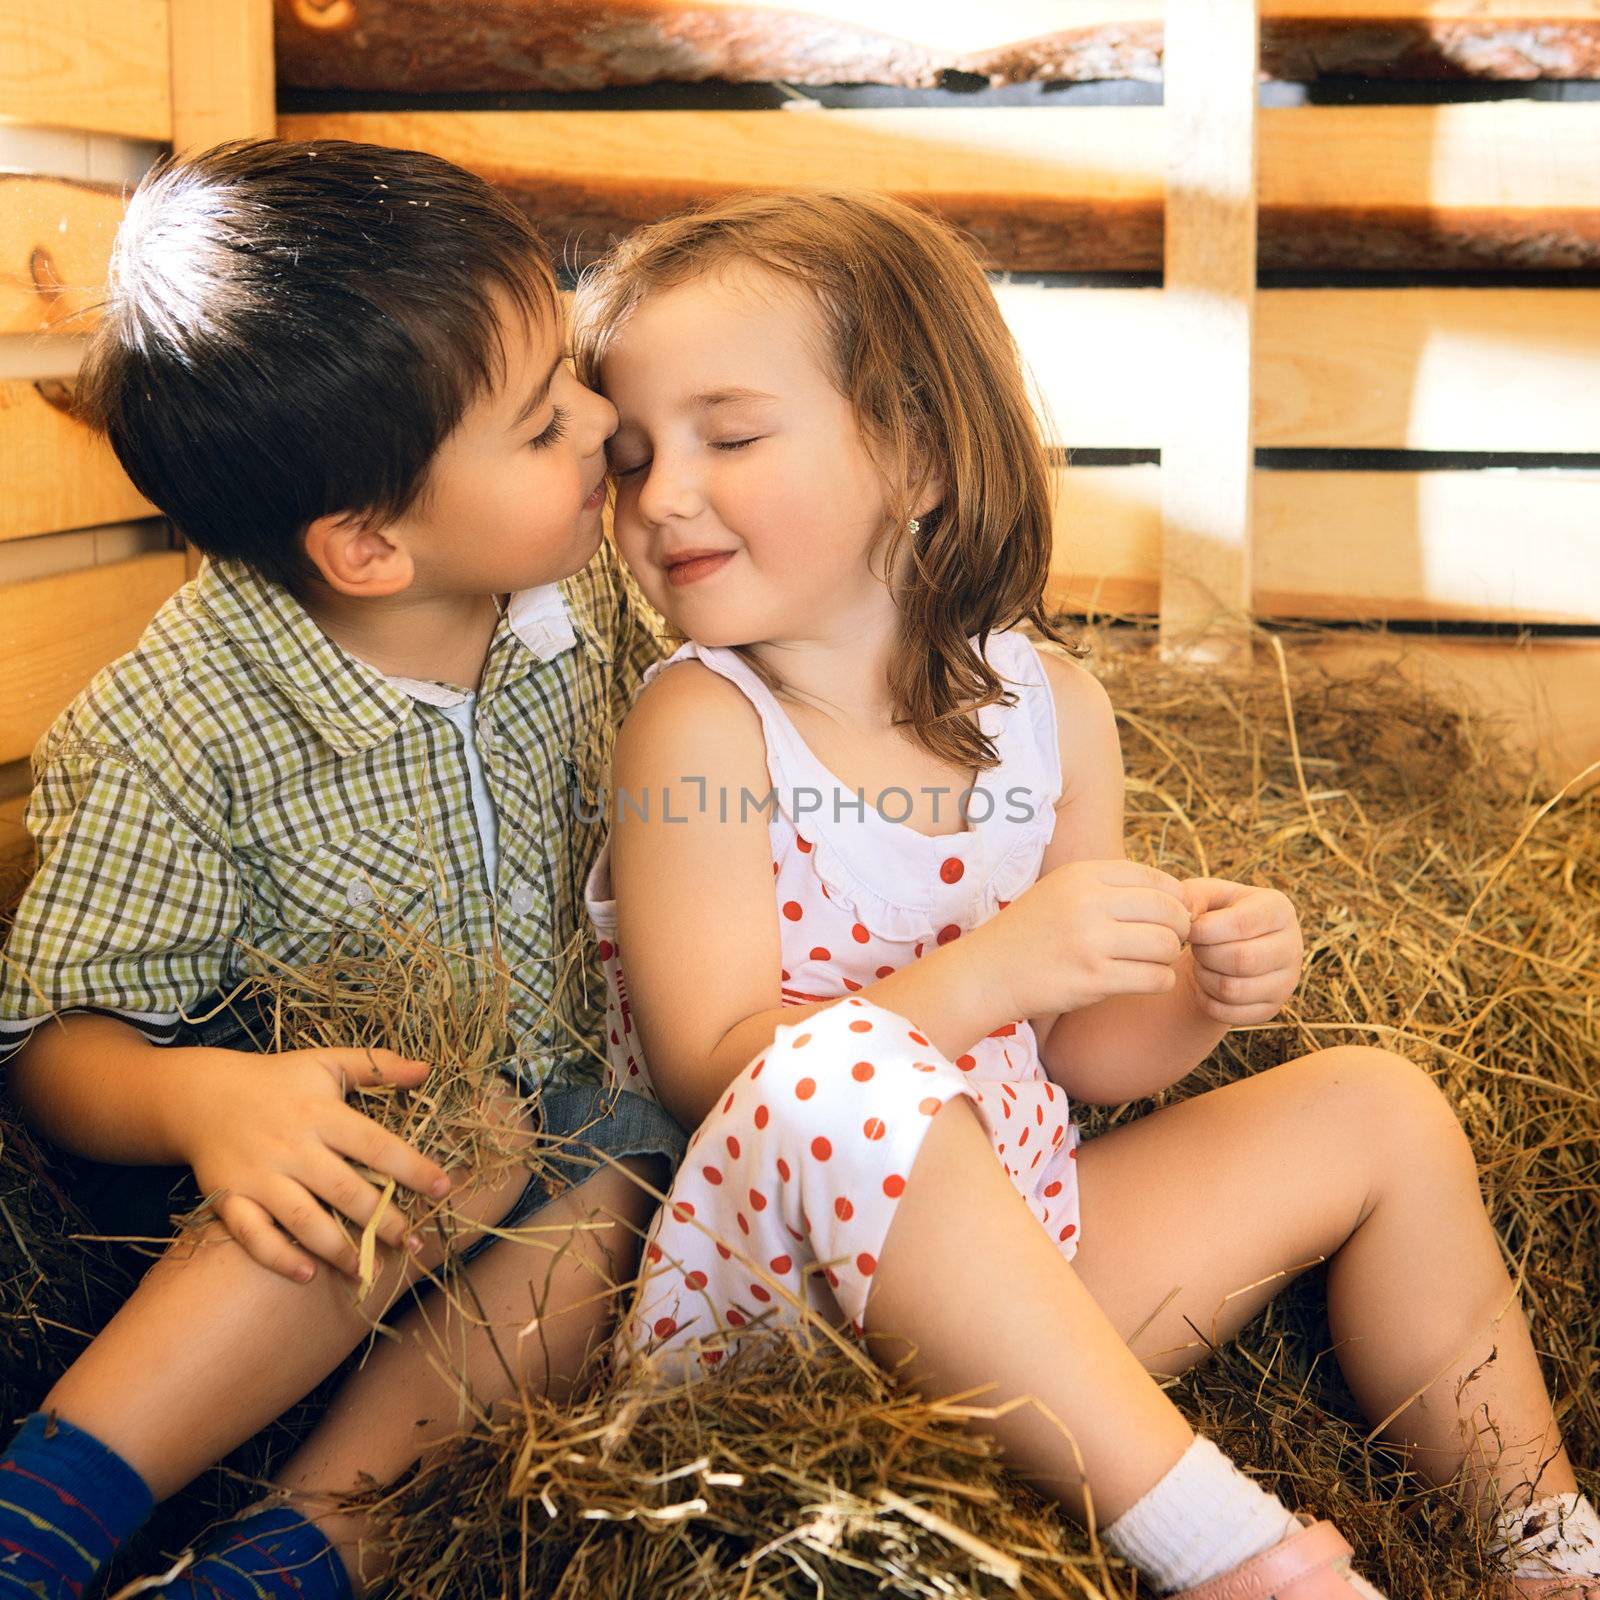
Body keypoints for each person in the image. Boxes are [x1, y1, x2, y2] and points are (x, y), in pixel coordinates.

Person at [571, 189, 1599, 1600]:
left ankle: (1541, 1536)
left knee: (1381, 1104)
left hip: (1034, 1281)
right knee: (836, 1068)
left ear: (919, 454)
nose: (661, 494)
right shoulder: (697, 725)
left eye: (729, 435)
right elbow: (716, 1068)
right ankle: (1237, 1556)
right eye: (627, 459)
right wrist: (995, 968)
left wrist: (1194, 993)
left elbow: (1085, 1063)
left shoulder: (1049, 708)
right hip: (785, 1325)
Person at [0, 139, 685, 1600]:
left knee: (617, 1157)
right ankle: (42, 1516)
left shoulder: (598, 618)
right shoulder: (178, 724)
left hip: (545, 1190)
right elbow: (58, 1042)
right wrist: (210, 1100)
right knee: (455, 1124)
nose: (607, 426)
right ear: (370, 545)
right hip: (293, 1244)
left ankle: (304, 1550)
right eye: (540, 420)